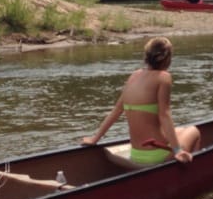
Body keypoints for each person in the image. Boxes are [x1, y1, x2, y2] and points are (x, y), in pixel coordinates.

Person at [81, 36, 201, 165]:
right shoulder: (164, 77)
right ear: (167, 58)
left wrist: (95, 139)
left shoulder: (134, 76)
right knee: (194, 130)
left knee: (181, 130)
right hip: (157, 154)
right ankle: (192, 169)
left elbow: (116, 111)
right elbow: (164, 115)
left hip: (136, 153)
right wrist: (177, 150)